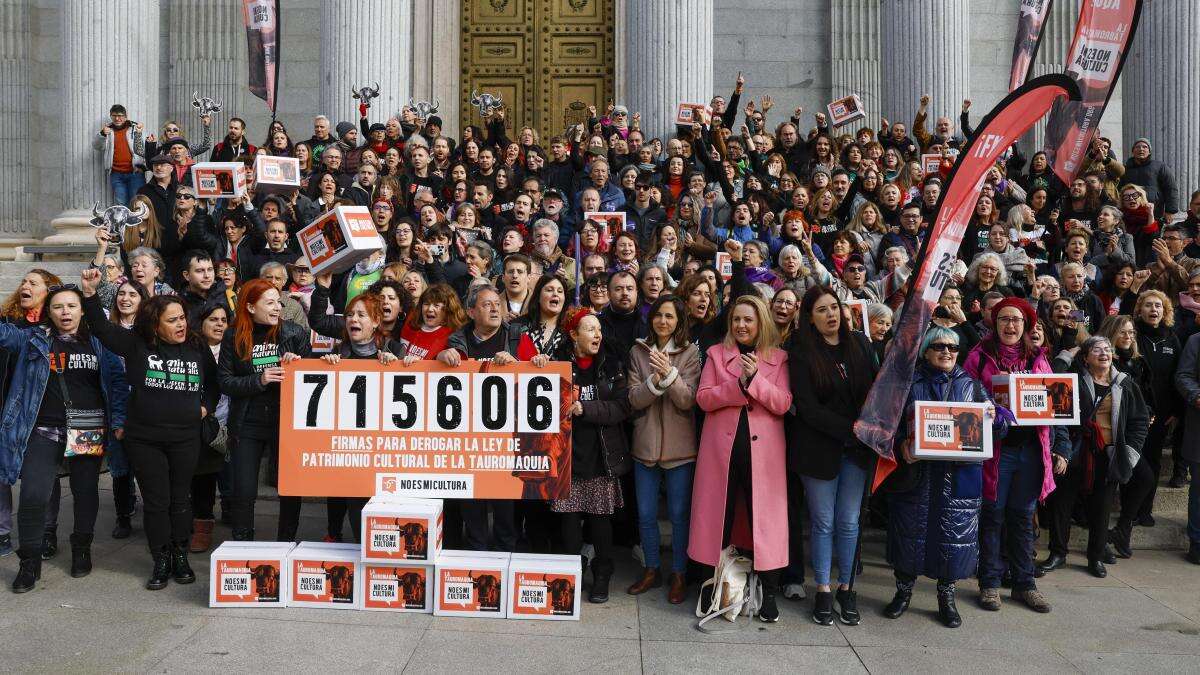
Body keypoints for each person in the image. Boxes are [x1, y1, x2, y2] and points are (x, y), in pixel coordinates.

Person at [79, 268, 218, 590]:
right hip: (145, 439)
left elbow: (212, 384)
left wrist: (205, 406)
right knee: (156, 502)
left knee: (181, 499)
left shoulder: (197, 347)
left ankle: (180, 555)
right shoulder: (136, 345)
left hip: (185, 437)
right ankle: (161, 558)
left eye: (182, 317)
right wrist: (89, 294)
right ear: (155, 324)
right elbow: (100, 327)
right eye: (172, 320)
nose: (181, 324)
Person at [1, 284, 127, 592]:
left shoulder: (99, 342)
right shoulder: (33, 340)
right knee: (32, 496)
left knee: (85, 494)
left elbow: (118, 382)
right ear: (49, 312)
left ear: (82, 310)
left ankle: (81, 548)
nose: (65, 312)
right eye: (58, 307)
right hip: (43, 431)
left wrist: (120, 419)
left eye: (72, 306)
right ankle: (29, 562)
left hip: (88, 429)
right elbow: (5, 335)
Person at [884, 326, 1002, 628]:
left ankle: (947, 597)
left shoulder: (973, 386)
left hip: (957, 477)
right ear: (925, 350)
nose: (946, 352)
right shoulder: (909, 383)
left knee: (953, 540)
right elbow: (889, 425)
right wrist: (901, 445)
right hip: (918, 475)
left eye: (952, 347)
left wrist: (994, 417)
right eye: (939, 346)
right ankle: (903, 592)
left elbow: (1000, 428)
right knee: (910, 535)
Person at [690, 295, 792, 623]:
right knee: (715, 517)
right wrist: (737, 385)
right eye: (736, 319)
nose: (741, 325)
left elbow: (783, 403)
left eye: (748, 319)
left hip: (764, 457)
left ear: (760, 322)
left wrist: (755, 381)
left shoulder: (778, 358)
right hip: (721, 453)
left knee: (765, 522)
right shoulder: (716, 355)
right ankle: (710, 585)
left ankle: (769, 592)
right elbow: (703, 399)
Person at [965, 297, 1066, 613]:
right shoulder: (979, 357)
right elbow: (964, 397)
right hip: (996, 453)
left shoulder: (1038, 358)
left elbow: (1058, 405)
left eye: (1017, 320)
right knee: (992, 516)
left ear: (1026, 326)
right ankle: (990, 584)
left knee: (1023, 517)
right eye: (1004, 319)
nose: (1010, 325)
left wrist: (1059, 444)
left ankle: (1025, 584)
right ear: (994, 324)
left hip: (1031, 452)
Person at [788, 286, 877, 626]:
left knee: (849, 521)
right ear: (810, 316)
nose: (830, 315)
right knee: (823, 522)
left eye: (834, 308)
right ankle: (823, 589)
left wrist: (865, 428)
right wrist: (851, 428)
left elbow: (875, 391)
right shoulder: (801, 351)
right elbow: (807, 408)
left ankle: (846, 588)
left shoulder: (861, 345)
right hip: (818, 449)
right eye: (822, 310)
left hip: (856, 452)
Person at [1043, 336, 1148, 578]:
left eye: (1108, 349)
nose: (1104, 353)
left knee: (1102, 508)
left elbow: (1139, 421)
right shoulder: (1073, 381)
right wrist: (1069, 353)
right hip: (1075, 450)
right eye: (1097, 349)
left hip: (1108, 453)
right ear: (1086, 357)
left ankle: (1095, 557)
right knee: (1062, 503)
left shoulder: (1125, 383)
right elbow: (1052, 379)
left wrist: (1129, 453)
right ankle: (1058, 553)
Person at [218, 279, 310, 542]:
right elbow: (224, 381)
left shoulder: (294, 333)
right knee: (244, 490)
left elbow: (311, 380)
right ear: (249, 306)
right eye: (269, 303)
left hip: (286, 423)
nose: (277, 308)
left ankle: (286, 542)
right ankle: (242, 543)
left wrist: (297, 367)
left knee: (289, 489)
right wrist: (259, 379)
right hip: (247, 423)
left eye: (278, 302)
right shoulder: (233, 336)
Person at [551, 307, 631, 604]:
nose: (597, 335)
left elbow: (623, 408)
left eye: (598, 329)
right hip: (567, 456)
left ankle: (602, 574)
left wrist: (588, 409)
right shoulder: (556, 364)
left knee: (600, 521)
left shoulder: (611, 365)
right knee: (569, 521)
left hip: (601, 456)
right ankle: (572, 574)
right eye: (589, 329)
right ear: (573, 335)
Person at [626, 296, 700, 604]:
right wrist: (654, 381)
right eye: (659, 315)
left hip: (680, 448)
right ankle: (652, 568)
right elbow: (633, 399)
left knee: (680, 515)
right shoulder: (638, 350)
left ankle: (679, 573)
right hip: (645, 445)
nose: (663, 322)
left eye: (670, 316)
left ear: (678, 321)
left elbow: (687, 400)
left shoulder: (691, 352)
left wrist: (670, 374)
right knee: (645, 514)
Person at [439, 285, 522, 551]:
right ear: (471, 311)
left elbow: (539, 370)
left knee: (504, 506)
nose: (495, 308)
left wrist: (517, 363)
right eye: (487, 304)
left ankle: (504, 555)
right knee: (471, 503)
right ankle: (476, 554)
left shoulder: (517, 337)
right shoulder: (457, 340)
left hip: (504, 439)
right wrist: (440, 357)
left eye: (497, 303)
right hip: (468, 439)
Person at [188, 303, 231, 553]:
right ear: (201, 322)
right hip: (197, 420)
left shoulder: (234, 346)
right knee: (196, 476)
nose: (219, 324)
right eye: (213, 319)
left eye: (223, 320)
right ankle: (190, 525)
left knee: (212, 477)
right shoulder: (192, 347)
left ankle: (206, 526)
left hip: (226, 420)